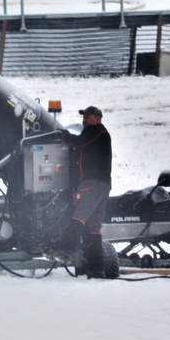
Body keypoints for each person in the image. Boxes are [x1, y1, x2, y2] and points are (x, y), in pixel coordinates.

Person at [47, 105, 113, 276]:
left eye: (88, 117)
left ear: (98, 119)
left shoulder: (95, 131)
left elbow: (78, 142)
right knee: (92, 228)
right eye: (84, 118)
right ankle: (97, 268)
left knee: (77, 218)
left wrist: (62, 133)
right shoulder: (101, 136)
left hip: (92, 184)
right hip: (104, 185)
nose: (84, 121)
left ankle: (64, 250)